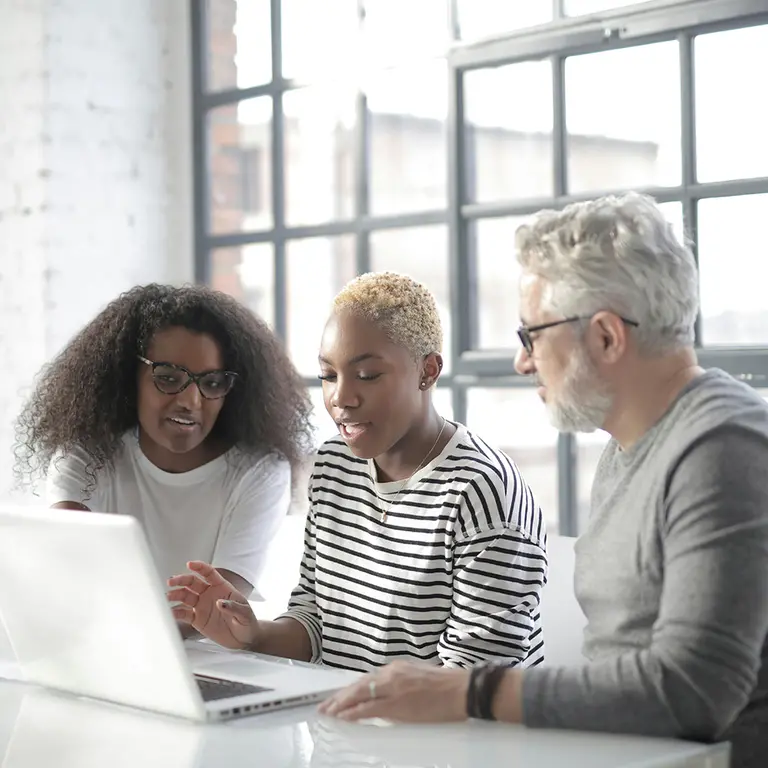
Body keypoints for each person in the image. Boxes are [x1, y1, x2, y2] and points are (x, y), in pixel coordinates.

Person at [318, 194, 768, 768]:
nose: (521, 361)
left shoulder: (722, 447)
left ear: (606, 337)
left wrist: (469, 691)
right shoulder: (625, 449)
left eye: (532, 335)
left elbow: (691, 691)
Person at [168, 271, 547, 671]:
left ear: (428, 371)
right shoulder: (334, 465)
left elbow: (476, 684)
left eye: (367, 375)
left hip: (437, 729)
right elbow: (316, 623)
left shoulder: (482, 492)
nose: (340, 398)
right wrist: (253, 635)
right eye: (328, 376)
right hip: (342, 722)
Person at [14, 283, 314, 607]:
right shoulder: (86, 457)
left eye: (212, 383)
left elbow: (214, 609)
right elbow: (66, 574)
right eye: (168, 378)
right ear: (129, 377)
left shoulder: (259, 471)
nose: (190, 401)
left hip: (213, 655)